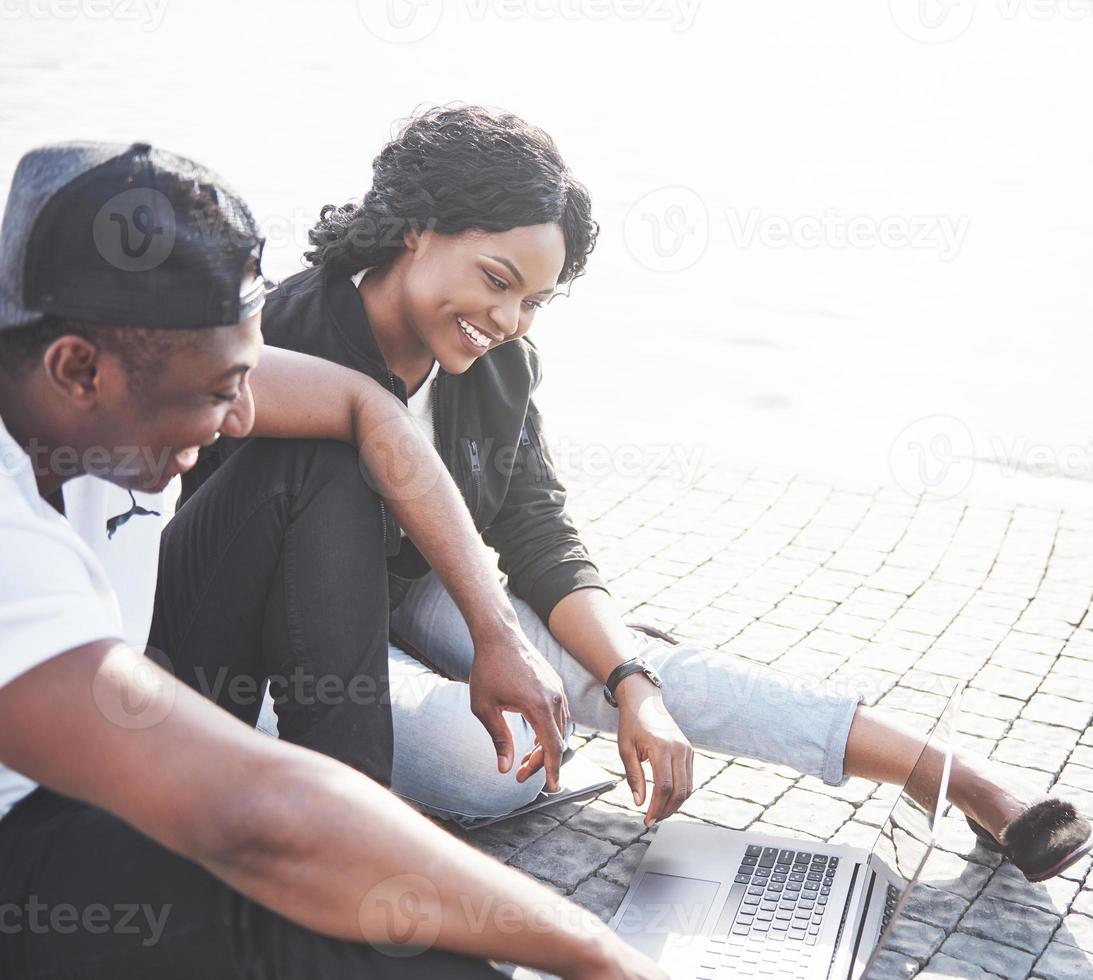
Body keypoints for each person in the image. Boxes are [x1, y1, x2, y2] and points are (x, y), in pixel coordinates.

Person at [199, 105, 1093, 883]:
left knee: (638, 675)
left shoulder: (498, 370)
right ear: (415, 229)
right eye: (498, 283)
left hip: (419, 589)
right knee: (490, 765)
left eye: (535, 302)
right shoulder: (281, 340)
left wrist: (630, 683)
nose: (507, 322)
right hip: (291, 652)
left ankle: (953, 777)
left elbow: (539, 534)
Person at [0, 140, 667, 978]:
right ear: (76, 369)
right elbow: (258, 822)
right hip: (28, 853)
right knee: (357, 921)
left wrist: (495, 631)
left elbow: (363, 407)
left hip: (131, 715)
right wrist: (599, 954)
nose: (233, 418)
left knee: (323, 449)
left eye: (242, 381)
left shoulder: (100, 376)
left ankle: (357, 806)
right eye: (213, 396)